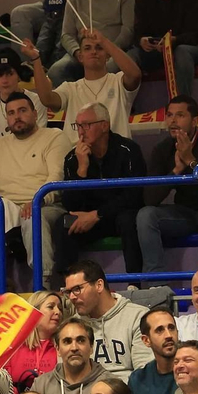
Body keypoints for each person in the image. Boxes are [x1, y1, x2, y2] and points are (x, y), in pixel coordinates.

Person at [0, 91, 72, 287]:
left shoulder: (54, 137)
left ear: (35, 113)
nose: (17, 116)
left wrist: (36, 201)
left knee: (32, 216)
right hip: (8, 207)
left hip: (46, 205)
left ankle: (42, 284)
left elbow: (57, 179)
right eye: (11, 113)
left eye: (22, 110)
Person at [135, 98, 198, 272]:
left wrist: (191, 161)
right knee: (146, 215)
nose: (173, 121)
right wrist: (176, 170)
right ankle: (156, 283)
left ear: (194, 121)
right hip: (185, 213)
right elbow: (150, 198)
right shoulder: (162, 149)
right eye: (169, 115)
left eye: (180, 115)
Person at [51, 105, 144, 276]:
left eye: (86, 125)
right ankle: (68, 281)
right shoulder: (72, 158)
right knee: (63, 223)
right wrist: (82, 169)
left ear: (104, 126)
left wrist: (98, 214)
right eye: (78, 126)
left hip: (118, 215)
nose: (81, 131)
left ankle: (134, 282)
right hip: (88, 219)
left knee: (129, 220)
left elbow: (134, 195)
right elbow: (71, 204)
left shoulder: (128, 150)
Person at [27, 30, 144, 152]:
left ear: (108, 55)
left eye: (99, 48)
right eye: (87, 48)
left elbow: (135, 75)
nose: (94, 52)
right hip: (79, 153)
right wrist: (36, 59)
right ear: (80, 57)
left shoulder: (118, 81)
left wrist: (104, 41)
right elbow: (47, 99)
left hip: (117, 153)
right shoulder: (70, 88)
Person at [57, 261, 151, 373]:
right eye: (68, 291)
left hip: (127, 384)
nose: (72, 297)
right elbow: (66, 374)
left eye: (77, 289)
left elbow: (144, 374)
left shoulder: (138, 317)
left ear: (99, 285)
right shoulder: (73, 326)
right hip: (87, 384)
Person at [51, 0, 137, 85]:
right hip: (83, 51)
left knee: (106, 68)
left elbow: (128, 30)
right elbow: (66, 35)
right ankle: (78, 95)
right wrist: (78, 52)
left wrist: (109, 51)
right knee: (56, 71)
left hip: (113, 51)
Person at [0, 49, 47, 137]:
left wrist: (1, 142)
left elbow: (39, 137)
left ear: (19, 76)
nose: (4, 81)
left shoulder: (36, 101)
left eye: (10, 74)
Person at [128, 309, 184, 394]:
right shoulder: (138, 380)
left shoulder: (197, 370)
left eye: (171, 328)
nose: (168, 335)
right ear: (146, 340)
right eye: (159, 330)